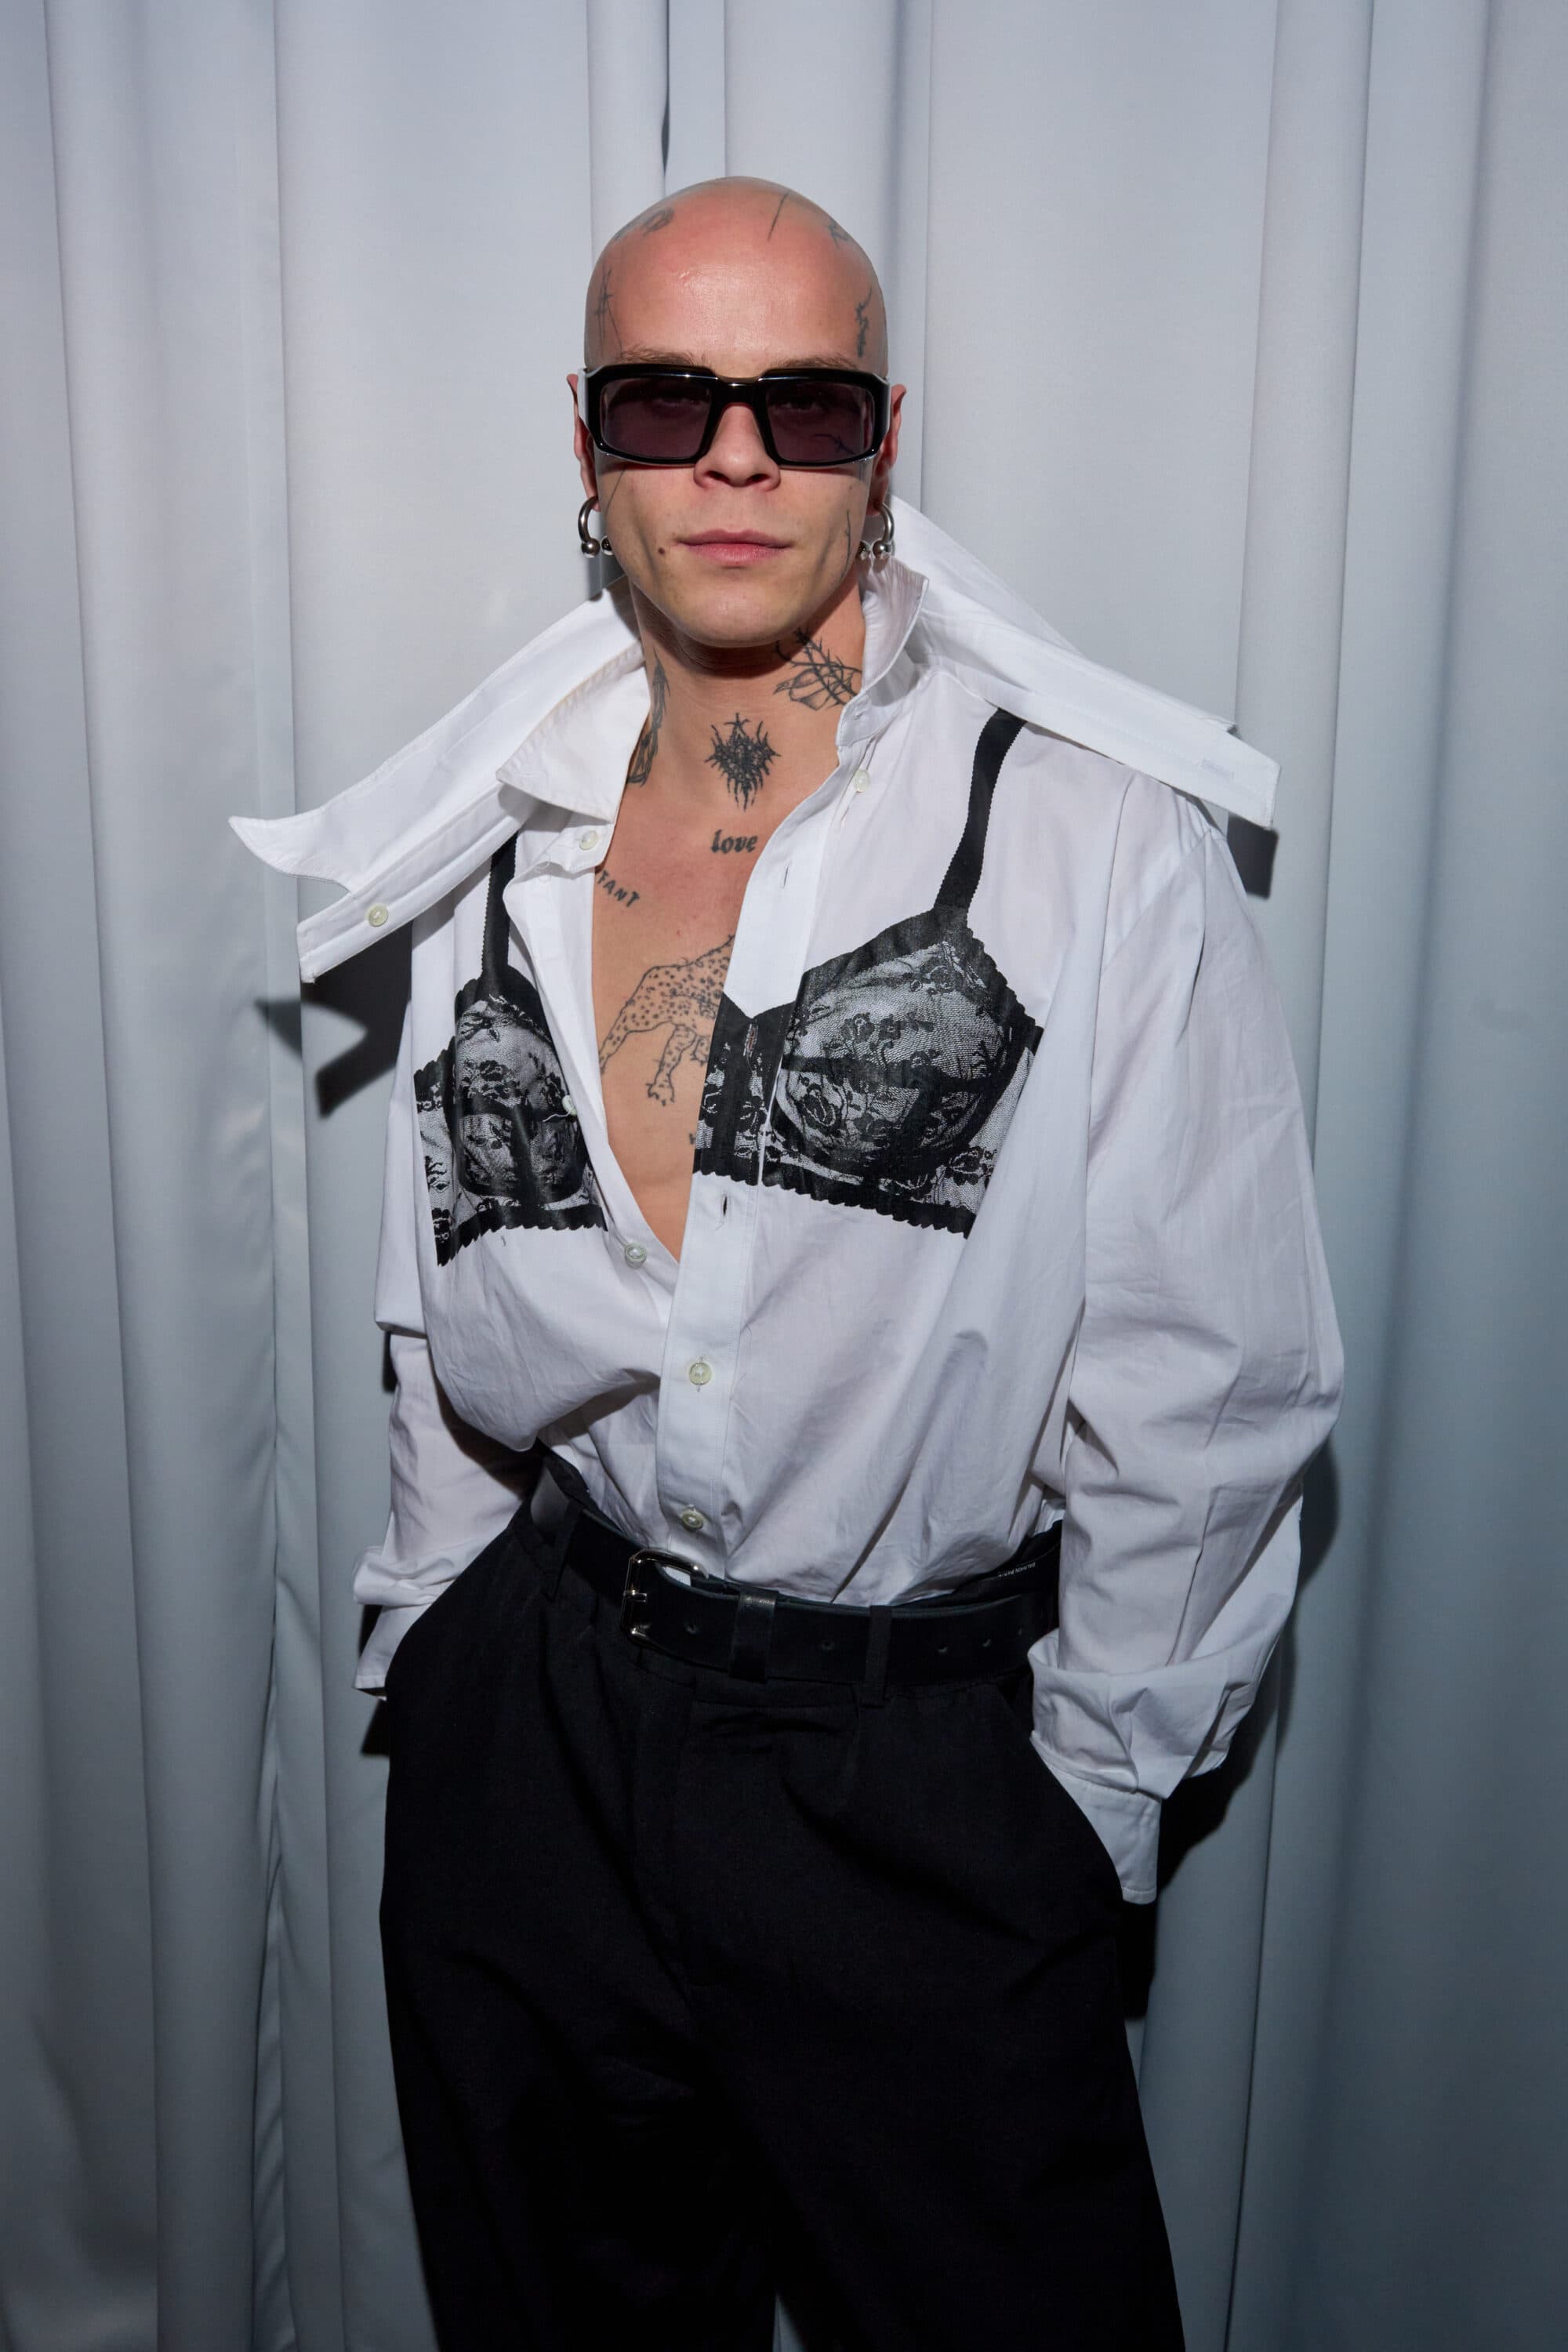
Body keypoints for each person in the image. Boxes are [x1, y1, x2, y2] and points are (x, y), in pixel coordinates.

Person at [234, 176, 1341, 2351]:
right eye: (669, 400)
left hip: (921, 1790)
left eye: (802, 403)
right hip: (536, 1759)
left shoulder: (1093, 840)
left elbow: (1211, 1383)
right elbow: (445, 1268)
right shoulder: (495, 833)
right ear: (588, 445)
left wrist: (1082, 1804)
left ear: (881, 437)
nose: (734, 458)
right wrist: (439, 1647)